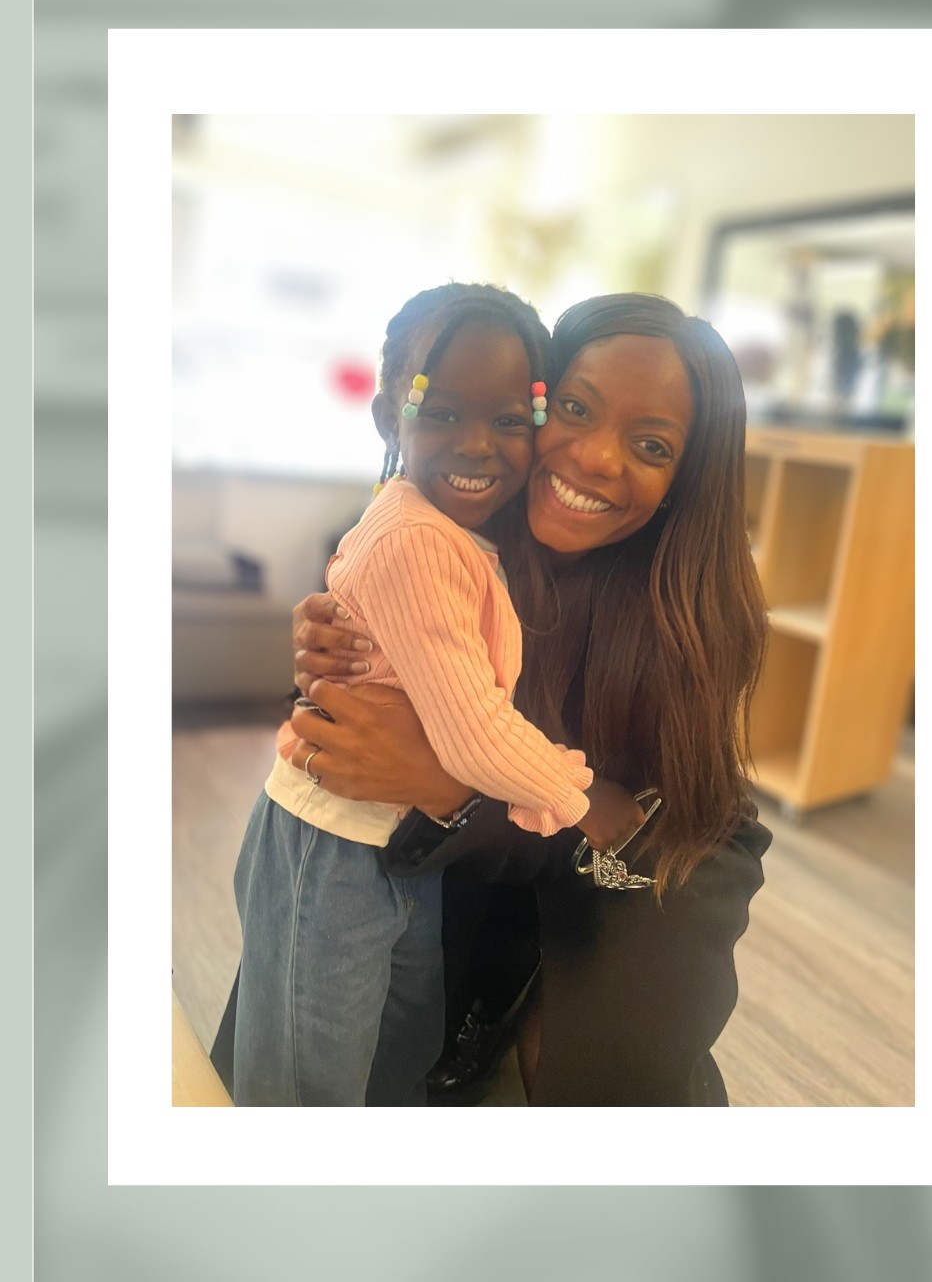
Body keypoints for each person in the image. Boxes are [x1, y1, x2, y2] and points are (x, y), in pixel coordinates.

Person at [283, 292, 773, 1106]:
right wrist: (329, 654)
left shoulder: (687, 616)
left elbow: (653, 826)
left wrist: (450, 783)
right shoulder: (432, 535)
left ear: (684, 480)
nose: (597, 458)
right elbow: (335, 740)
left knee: (614, 1056)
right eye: (574, 408)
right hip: (458, 862)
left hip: (626, 866)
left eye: (651, 445)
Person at [229, 283, 645, 1108]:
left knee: (400, 1049)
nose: (478, 445)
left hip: (401, 843)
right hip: (335, 842)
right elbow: (475, 732)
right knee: (307, 1085)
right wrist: (585, 799)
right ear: (392, 416)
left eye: (508, 419)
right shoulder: (419, 539)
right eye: (444, 412)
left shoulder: (455, 533)